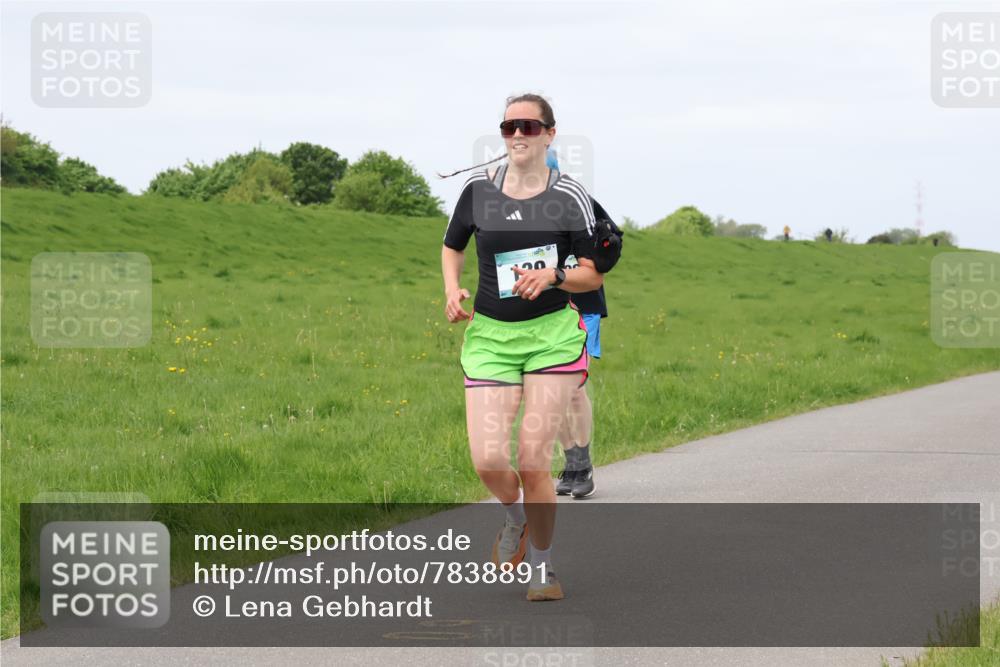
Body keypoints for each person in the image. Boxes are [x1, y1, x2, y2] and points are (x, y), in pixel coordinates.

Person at [441, 93, 603, 601]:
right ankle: (516, 519)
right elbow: (453, 246)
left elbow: (591, 271)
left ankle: (542, 568)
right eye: (510, 125)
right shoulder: (476, 192)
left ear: (550, 135)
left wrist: (554, 274)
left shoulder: (569, 196)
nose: (518, 135)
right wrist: (452, 289)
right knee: (488, 459)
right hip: (491, 337)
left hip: (551, 337)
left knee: (533, 459)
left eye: (530, 127)